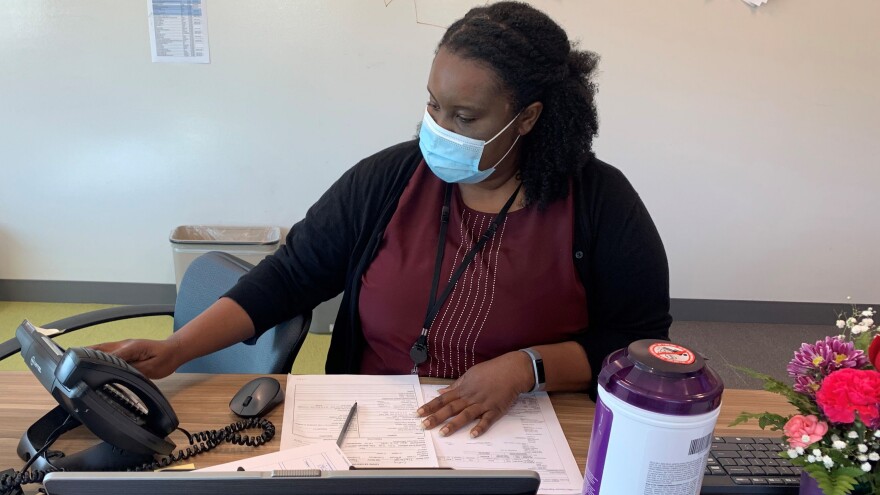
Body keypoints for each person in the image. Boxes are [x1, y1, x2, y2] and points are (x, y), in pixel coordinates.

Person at [95, 1, 671, 439]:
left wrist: (526, 369)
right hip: (372, 426)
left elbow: (641, 346)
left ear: (526, 119)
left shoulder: (599, 203)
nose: (438, 129)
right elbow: (291, 277)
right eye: (432, 105)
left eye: (465, 116)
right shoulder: (390, 180)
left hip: (525, 430)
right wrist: (177, 348)